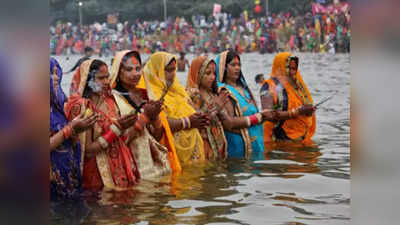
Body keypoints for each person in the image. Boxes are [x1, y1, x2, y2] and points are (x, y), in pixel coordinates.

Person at [65, 59, 140, 192]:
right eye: (101, 78)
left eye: (107, 77)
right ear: (87, 80)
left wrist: (132, 124)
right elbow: (87, 151)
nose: (106, 82)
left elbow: (122, 139)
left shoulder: (109, 101)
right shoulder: (82, 106)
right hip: (96, 176)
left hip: (119, 170)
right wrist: (117, 128)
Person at [109, 50, 181, 177]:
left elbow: (157, 137)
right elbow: (118, 142)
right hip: (129, 167)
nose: (135, 73)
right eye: (129, 69)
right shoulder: (112, 99)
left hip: (152, 166)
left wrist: (154, 118)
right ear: (118, 72)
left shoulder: (145, 95)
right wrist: (145, 117)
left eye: (138, 68)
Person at [137, 52, 209, 165]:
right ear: (157, 70)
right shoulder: (149, 94)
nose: (173, 74)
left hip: (193, 154)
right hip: (170, 157)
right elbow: (161, 122)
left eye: (174, 70)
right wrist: (188, 122)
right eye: (168, 70)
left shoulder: (177, 90)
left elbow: (192, 112)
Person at [50, 58, 97, 200]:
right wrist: (70, 129)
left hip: (68, 177)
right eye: (51, 73)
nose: (57, 77)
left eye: (56, 72)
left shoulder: (58, 104)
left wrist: (77, 129)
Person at [214, 50, 267, 159]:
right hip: (237, 149)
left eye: (239, 65)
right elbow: (229, 123)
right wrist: (259, 117)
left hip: (256, 144)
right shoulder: (223, 91)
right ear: (223, 67)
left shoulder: (245, 89)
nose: (237, 68)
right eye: (233, 65)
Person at [260, 52, 316, 144]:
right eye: (289, 68)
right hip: (276, 142)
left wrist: (309, 111)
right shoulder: (269, 86)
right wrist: (297, 112)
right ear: (279, 67)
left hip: (301, 139)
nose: (292, 72)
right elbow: (267, 115)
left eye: (294, 69)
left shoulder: (298, 86)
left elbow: (306, 107)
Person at [186, 56, 230, 160]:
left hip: (217, 145)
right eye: (208, 73)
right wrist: (216, 107)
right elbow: (198, 122)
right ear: (198, 73)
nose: (212, 77)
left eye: (214, 73)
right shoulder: (192, 94)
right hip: (203, 145)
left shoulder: (211, 92)